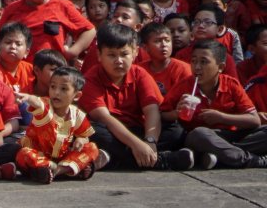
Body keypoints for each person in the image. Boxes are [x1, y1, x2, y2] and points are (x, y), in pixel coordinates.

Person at [81, 24, 192, 170]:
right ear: (99, 56)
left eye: (124, 54)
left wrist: (150, 141)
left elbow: (152, 110)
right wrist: (136, 144)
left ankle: (118, 160)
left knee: (175, 131)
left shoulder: (139, 74)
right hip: (110, 131)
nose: (118, 60)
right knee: (94, 131)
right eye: (111, 55)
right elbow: (104, 118)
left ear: (135, 53)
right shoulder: (91, 78)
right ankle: (160, 160)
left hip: (138, 130)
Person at [162, 40, 267, 169]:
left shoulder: (231, 85)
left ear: (221, 67)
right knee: (199, 134)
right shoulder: (184, 86)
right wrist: (176, 113)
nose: (197, 67)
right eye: (194, 61)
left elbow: (254, 120)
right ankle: (252, 160)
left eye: (203, 62)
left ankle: (218, 157)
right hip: (202, 138)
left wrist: (222, 117)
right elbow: (162, 114)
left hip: (229, 136)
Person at [16, 67, 104, 183]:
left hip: (62, 158)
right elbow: (37, 102)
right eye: (53, 87)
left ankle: (57, 171)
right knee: (23, 154)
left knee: (92, 148)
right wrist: (28, 97)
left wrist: (81, 141)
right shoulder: (45, 106)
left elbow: (84, 136)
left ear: (76, 96)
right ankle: (67, 170)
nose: (56, 92)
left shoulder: (77, 115)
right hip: (39, 155)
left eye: (63, 89)